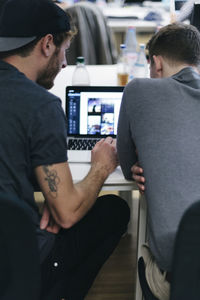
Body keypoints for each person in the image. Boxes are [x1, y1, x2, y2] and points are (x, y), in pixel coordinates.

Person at [0, 0, 130, 300]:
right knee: (113, 210)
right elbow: (68, 213)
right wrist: (101, 165)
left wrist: (49, 192)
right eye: (64, 50)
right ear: (47, 44)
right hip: (15, 265)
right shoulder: (40, 106)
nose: (64, 64)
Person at [117, 22, 200, 300]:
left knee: (146, 251)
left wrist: (147, 160)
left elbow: (126, 165)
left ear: (156, 63)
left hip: (176, 274)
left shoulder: (138, 90)